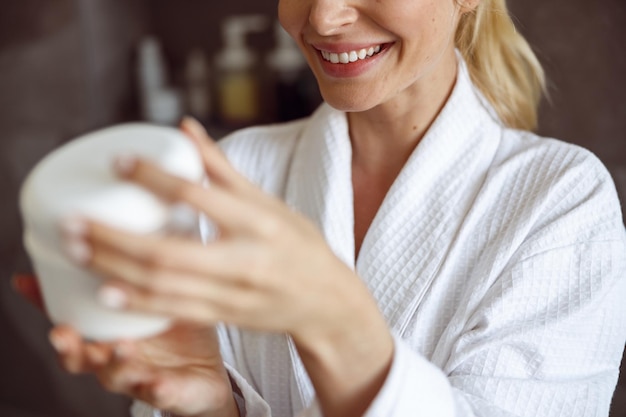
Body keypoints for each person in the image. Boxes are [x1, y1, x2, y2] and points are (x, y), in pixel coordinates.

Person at [14, 0, 626, 416]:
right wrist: (215, 404)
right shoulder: (234, 172)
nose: (324, 17)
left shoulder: (561, 201)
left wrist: (337, 324)